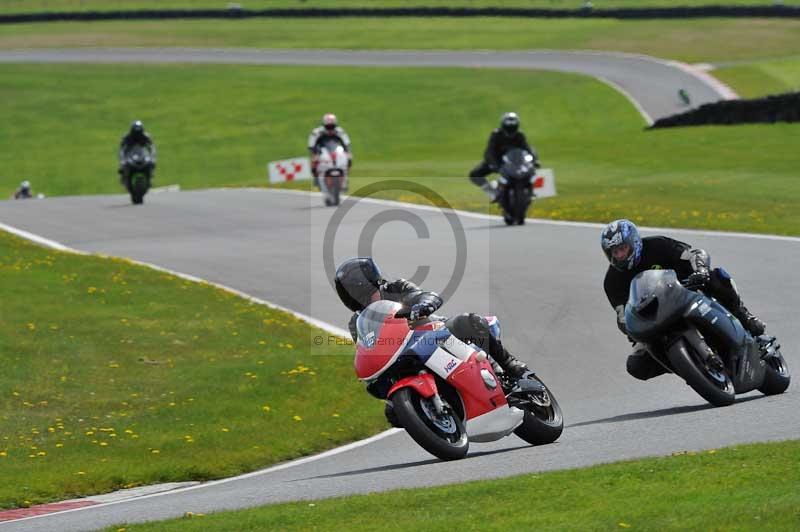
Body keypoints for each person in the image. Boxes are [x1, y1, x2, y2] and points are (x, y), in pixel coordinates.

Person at [335, 257, 530, 426]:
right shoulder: (357, 323)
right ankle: (436, 414)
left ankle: (510, 366)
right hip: (402, 355)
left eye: (367, 294)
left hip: (434, 333)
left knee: (466, 321)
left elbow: (424, 295)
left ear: (375, 283)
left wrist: (425, 304)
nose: (366, 300)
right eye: (358, 297)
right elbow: (367, 348)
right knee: (393, 413)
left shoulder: (397, 288)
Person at [600, 219, 766, 381]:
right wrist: (629, 327)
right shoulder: (612, 282)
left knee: (717, 276)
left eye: (623, 248)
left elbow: (693, 254)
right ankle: (689, 366)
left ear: (634, 242)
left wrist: (700, 270)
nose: (620, 255)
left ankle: (745, 316)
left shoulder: (658, 245)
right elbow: (622, 313)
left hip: (686, 292)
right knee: (636, 366)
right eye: (615, 252)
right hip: (654, 318)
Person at [469, 112, 538, 201]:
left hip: (516, 163)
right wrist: (493, 164)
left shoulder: (520, 135)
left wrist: (534, 160)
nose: (510, 129)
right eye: (508, 126)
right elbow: (490, 151)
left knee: (531, 172)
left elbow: (528, 149)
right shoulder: (496, 134)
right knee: (474, 174)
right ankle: (492, 193)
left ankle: (530, 192)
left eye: (513, 126)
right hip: (498, 162)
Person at [308, 113, 352, 187]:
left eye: (332, 127)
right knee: (314, 159)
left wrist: (347, 151)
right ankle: (316, 177)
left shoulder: (340, 131)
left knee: (349, 158)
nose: (330, 129)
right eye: (328, 127)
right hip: (321, 150)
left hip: (336, 150)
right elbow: (311, 143)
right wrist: (314, 151)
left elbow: (346, 142)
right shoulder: (317, 132)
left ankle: (345, 177)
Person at [118, 120, 156, 185]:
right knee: (123, 167)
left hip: (142, 154)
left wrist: (152, 159)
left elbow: (152, 148)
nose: (137, 134)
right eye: (135, 131)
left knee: (150, 164)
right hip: (130, 155)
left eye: (139, 131)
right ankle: (124, 178)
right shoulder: (127, 137)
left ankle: (149, 178)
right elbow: (122, 149)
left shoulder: (146, 136)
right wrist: (122, 161)